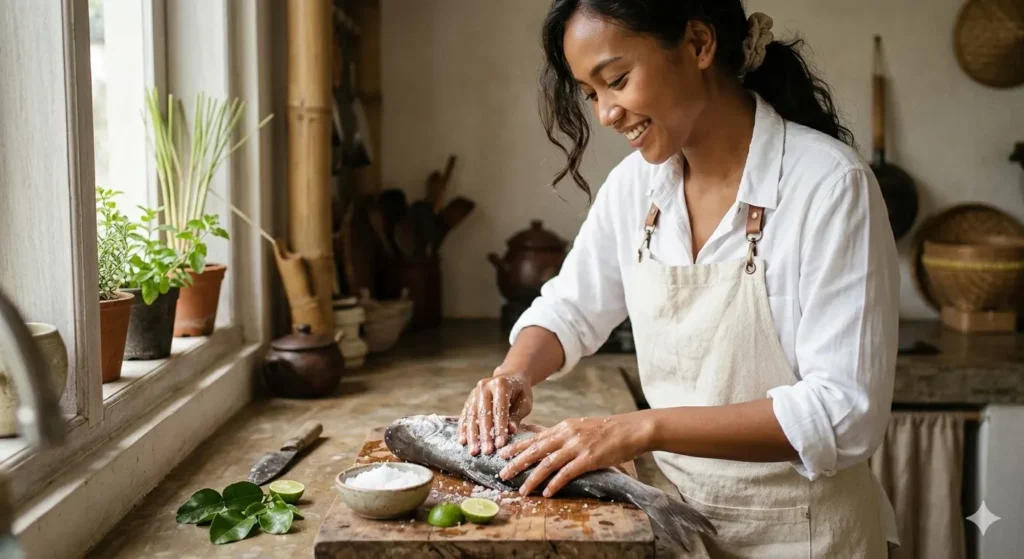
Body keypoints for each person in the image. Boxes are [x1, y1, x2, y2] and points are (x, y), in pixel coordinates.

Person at [457, 0, 901, 556]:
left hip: (806, 535)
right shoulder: (633, 189)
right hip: (672, 525)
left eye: (616, 80)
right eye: (591, 93)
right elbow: (568, 309)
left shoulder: (831, 186)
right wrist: (514, 374)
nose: (605, 114)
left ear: (697, 44)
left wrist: (640, 428)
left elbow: (843, 415)